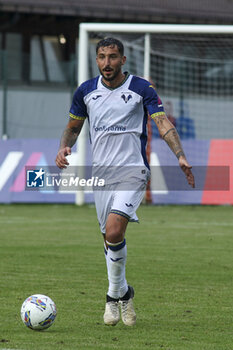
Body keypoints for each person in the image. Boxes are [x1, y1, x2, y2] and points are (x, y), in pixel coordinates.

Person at [55, 37, 195, 327]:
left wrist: (179, 155)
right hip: (102, 175)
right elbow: (72, 128)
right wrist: (63, 147)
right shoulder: (86, 91)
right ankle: (122, 292)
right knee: (109, 237)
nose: (107, 63)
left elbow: (162, 123)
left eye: (113, 57)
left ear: (123, 60)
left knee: (115, 229)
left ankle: (111, 295)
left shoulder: (141, 88)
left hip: (133, 171)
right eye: (102, 57)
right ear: (96, 60)